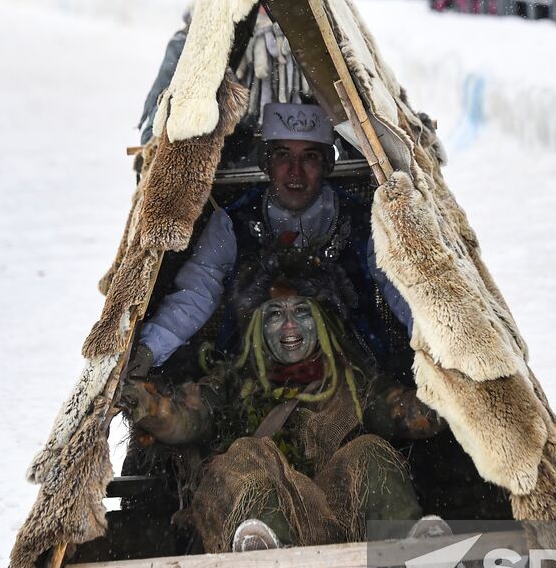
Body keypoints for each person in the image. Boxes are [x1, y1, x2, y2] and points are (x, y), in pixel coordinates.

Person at [122, 272, 442, 568]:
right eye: (275, 314)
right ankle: (269, 564)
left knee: (369, 449)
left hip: (338, 522)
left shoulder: (353, 382)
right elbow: (189, 417)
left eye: (301, 311)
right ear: (259, 327)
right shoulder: (233, 383)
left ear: (320, 321)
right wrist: (150, 408)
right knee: (248, 453)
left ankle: (410, 561)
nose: (289, 324)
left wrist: (448, 399)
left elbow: (403, 412)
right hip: (262, 531)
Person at [132, 101, 411, 375]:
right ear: (266, 163)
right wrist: (150, 349)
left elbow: (403, 287)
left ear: (327, 165)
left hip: (355, 372)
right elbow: (196, 292)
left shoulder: (366, 220)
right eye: (283, 155)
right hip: (248, 375)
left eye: (310, 156)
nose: (295, 171)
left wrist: (436, 343)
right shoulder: (232, 222)